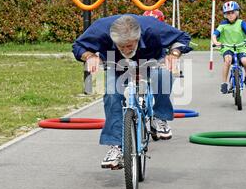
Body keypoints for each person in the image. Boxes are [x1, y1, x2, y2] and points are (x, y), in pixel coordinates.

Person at [72, 14, 192, 169]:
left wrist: (173, 55)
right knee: (111, 95)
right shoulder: (101, 28)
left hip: (150, 61)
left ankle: (159, 117)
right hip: (115, 64)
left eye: (129, 46)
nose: (125, 50)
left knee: (164, 76)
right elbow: (78, 46)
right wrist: (89, 56)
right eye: (120, 46)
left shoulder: (151, 28)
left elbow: (182, 38)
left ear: (137, 38)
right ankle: (116, 146)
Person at [211, 1, 246, 94]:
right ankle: (224, 83)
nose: (230, 15)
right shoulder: (222, 25)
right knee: (227, 60)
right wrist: (215, 42)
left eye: (233, 12)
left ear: (237, 13)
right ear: (225, 15)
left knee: (245, 61)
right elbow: (214, 34)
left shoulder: (241, 23)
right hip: (227, 47)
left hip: (241, 47)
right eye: (228, 13)